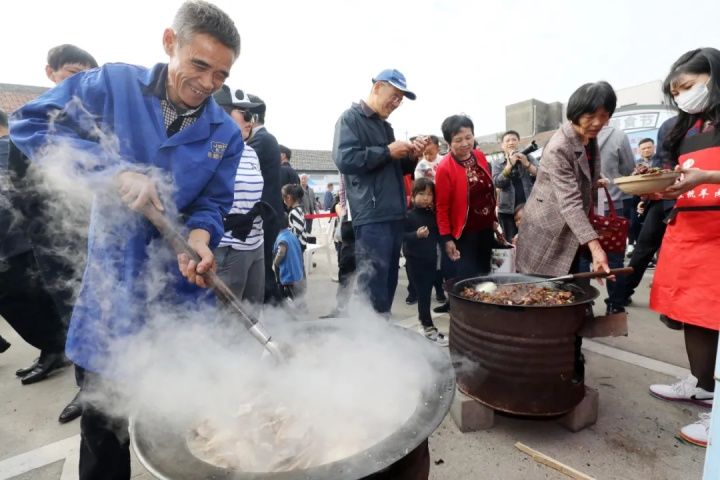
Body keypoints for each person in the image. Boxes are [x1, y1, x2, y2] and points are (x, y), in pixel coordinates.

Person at [9, 2, 242, 478]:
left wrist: (199, 237)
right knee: (105, 430)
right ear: (169, 43)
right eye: (199, 65)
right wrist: (114, 173)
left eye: (220, 75)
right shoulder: (113, 86)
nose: (208, 84)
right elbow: (31, 124)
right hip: (111, 292)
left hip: (181, 298)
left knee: (188, 425)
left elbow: (213, 204)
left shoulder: (225, 133)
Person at [516, 81, 616, 383]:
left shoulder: (589, 137)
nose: (598, 122)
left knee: (566, 295)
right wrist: (597, 249)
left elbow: (585, 176)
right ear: (576, 113)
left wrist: (595, 181)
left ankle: (563, 357)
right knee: (538, 295)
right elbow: (570, 204)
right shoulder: (559, 146)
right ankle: (534, 361)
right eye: (591, 115)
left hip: (571, 233)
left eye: (605, 115)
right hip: (546, 233)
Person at [646, 48, 720, 447]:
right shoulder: (681, 129)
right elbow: (674, 178)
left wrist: (708, 174)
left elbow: (703, 175)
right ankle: (702, 383)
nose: (682, 96)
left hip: (719, 231)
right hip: (689, 229)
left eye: (689, 86)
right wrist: (657, 189)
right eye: (676, 91)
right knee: (695, 314)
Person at [333, 68, 427, 315]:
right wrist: (387, 151)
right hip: (372, 215)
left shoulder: (385, 126)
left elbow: (394, 168)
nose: (396, 103)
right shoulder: (350, 118)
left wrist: (412, 156)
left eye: (400, 100)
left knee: (387, 282)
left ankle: (381, 338)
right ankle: (367, 339)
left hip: (393, 214)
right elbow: (345, 159)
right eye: (394, 95)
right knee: (373, 285)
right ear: (377, 87)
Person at [605, 118, 678, 315]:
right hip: (661, 200)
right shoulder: (670, 127)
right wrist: (645, 199)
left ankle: (676, 303)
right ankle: (622, 293)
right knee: (642, 249)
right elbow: (656, 173)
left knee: (676, 253)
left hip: (690, 199)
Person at [211, 85, 266, 306]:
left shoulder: (250, 152)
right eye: (244, 114)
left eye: (251, 115)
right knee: (228, 320)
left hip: (255, 243)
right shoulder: (212, 150)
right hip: (228, 246)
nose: (250, 120)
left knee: (254, 311)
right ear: (221, 113)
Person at [435, 115, 498, 281]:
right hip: (464, 233)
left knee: (486, 273)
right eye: (458, 140)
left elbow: (488, 192)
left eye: (469, 137)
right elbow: (441, 207)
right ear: (448, 143)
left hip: (485, 228)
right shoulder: (444, 168)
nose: (465, 143)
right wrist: (446, 239)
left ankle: (485, 307)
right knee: (467, 278)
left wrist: (494, 219)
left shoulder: (479, 156)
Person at [245, 93, 284, 304]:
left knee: (262, 264)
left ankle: (275, 310)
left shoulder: (263, 140)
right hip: (265, 213)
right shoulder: (260, 139)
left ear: (252, 117)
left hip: (266, 214)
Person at [403, 178, 448, 346]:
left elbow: (440, 235)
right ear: (413, 196)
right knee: (423, 294)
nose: (426, 197)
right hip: (415, 261)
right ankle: (427, 326)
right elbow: (400, 236)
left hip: (432, 260)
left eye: (429, 194)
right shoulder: (408, 215)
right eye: (421, 194)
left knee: (428, 292)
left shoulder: (433, 215)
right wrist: (416, 235)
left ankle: (425, 323)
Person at [596, 124, 635, 312]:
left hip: (582, 208)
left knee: (581, 258)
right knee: (614, 258)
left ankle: (583, 306)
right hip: (613, 206)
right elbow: (628, 169)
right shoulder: (619, 136)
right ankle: (615, 305)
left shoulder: (574, 137)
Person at [492, 129, 539, 239]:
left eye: (514, 140)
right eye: (507, 140)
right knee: (512, 242)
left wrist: (527, 164)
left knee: (533, 240)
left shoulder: (528, 157)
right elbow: (497, 183)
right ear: (502, 145)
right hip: (507, 211)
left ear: (518, 142)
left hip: (529, 207)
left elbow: (542, 175)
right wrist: (509, 166)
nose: (511, 142)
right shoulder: (497, 163)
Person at [273, 214, 306, 304]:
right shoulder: (291, 235)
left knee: (291, 296)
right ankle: (302, 309)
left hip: (289, 274)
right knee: (298, 296)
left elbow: (281, 252)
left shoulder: (282, 238)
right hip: (297, 272)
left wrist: (275, 262)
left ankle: (296, 313)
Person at [282, 183, 308, 251]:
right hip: (300, 244)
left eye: (284, 199)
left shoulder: (294, 212)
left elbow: (297, 230)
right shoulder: (300, 209)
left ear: (289, 197)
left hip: (297, 245)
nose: (284, 202)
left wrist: (286, 231)